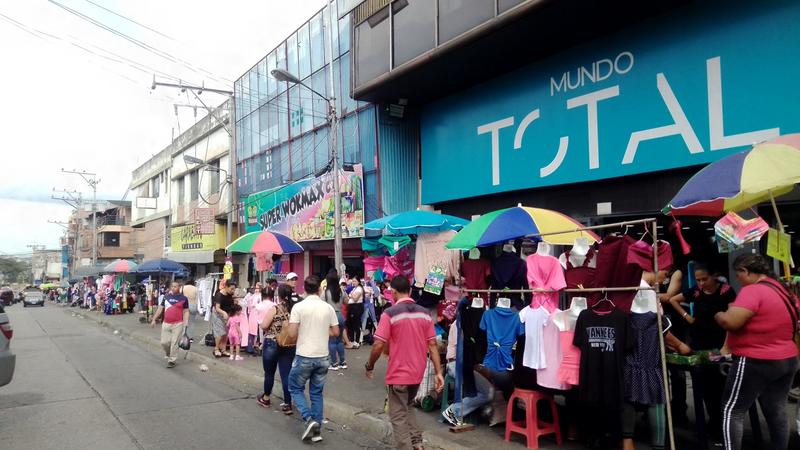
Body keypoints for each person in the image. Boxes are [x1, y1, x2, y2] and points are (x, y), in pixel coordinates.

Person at [714, 254, 799, 450]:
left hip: (756, 359)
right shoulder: (783, 290)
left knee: (732, 410)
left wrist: (720, 315)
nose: (738, 279)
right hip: (787, 358)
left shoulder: (752, 291)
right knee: (776, 410)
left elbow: (731, 322)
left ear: (745, 271)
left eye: (738, 274)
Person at [365, 276, 444, 450]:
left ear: (393, 292)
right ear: (409, 291)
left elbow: (378, 344)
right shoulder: (424, 313)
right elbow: (432, 345)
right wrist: (438, 373)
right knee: (408, 406)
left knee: (398, 416)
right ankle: (417, 444)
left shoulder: (390, 313)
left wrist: (369, 365)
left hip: (399, 373)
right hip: (417, 372)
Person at [668, 263, 735, 440]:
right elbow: (673, 299)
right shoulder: (695, 291)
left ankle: (721, 427)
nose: (701, 283)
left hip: (719, 344)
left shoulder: (726, 291)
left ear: (715, 276)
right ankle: (711, 423)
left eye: (704, 279)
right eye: (698, 280)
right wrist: (686, 316)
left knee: (720, 385)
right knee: (704, 385)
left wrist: (726, 347)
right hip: (698, 343)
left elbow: (732, 319)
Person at [286, 275, 340, 443]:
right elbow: (336, 332)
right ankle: (316, 429)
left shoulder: (298, 307)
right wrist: (322, 331)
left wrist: (303, 330)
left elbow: (292, 334)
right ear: (320, 289)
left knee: (294, 388)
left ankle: (309, 420)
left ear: (305, 289)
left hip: (304, 355)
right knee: (316, 393)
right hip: (323, 357)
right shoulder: (328, 308)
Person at [258, 284, 295, 414]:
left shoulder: (276, 308)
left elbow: (264, 325)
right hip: (288, 343)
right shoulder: (294, 309)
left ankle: (266, 398)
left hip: (272, 343)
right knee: (286, 374)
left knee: (269, 373)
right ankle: (288, 404)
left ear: (278, 295)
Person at [150, 281, 190, 368]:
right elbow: (160, 309)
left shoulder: (184, 298)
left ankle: (172, 360)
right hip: (166, 323)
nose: (173, 288)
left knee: (174, 343)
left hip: (178, 324)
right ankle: (168, 353)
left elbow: (186, 311)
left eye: (175, 286)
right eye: (172, 286)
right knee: (164, 343)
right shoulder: (166, 297)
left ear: (179, 287)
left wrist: (186, 322)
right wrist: (154, 319)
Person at [324, 270, 347, 370]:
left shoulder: (326, 292)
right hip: (340, 316)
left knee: (332, 341)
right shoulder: (341, 291)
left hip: (331, 317)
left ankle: (334, 363)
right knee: (340, 341)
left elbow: (321, 304)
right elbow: (347, 302)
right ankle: (343, 362)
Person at [212, 280, 237, 358]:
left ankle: (223, 349)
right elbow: (217, 308)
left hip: (227, 315)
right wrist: (224, 313)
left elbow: (230, 304)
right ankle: (216, 349)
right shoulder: (219, 295)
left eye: (234, 289)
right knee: (220, 332)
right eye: (231, 289)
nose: (233, 291)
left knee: (226, 333)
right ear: (226, 287)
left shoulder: (230, 294)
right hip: (218, 315)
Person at [347, 277, 365, 346]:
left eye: (355, 281)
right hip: (352, 307)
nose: (353, 282)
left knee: (356, 324)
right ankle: (352, 340)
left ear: (358, 282)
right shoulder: (354, 288)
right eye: (353, 281)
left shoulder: (359, 289)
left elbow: (355, 298)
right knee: (350, 324)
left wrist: (350, 295)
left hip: (356, 307)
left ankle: (357, 342)